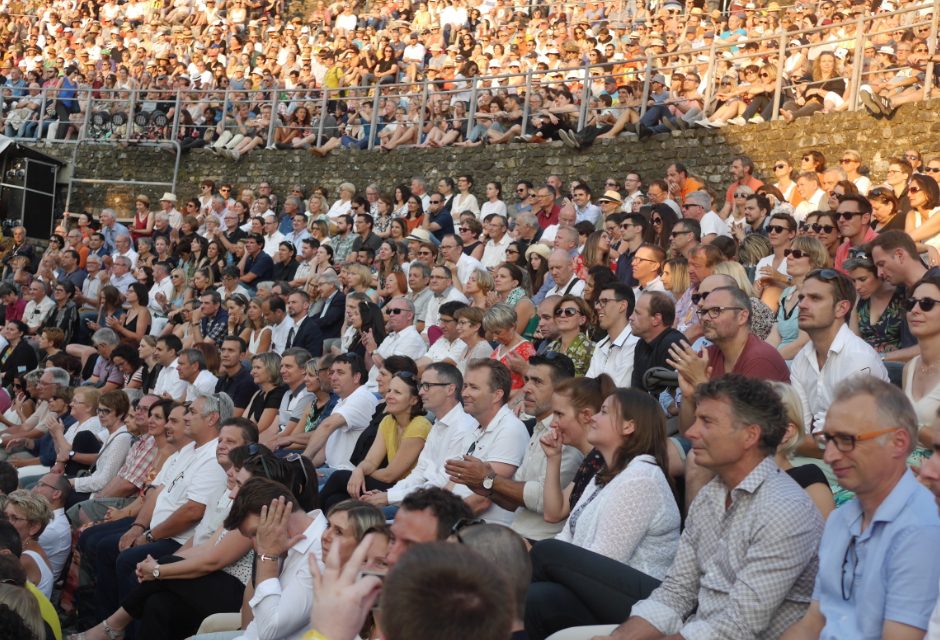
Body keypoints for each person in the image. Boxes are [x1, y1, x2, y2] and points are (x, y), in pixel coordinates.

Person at [568, 375, 825, 640]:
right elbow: (676, 592)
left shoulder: (785, 510)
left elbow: (738, 626)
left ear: (750, 435)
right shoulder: (710, 496)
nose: (690, 432)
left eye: (707, 422)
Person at [780, 377, 940, 639]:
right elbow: (812, 623)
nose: (830, 455)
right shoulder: (840, 519)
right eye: (827, 439)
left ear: (898, 443)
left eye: (846, 440)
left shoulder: (921, 529)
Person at [526, 389, 681, 639]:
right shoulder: (603, 475)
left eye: (604, 412)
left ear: (629, 426)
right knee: (536, 599)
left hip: (646, 600)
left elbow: (606, 559)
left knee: (544, 552)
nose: (593, 418)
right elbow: (567, 536)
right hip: (601, 589)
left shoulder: (642, 477)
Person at [449, 353, 581, 541]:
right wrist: (483, 486)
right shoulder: (538, 429)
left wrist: (487, 480)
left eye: (537, 382)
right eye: (527, 380)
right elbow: (513, 502)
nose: (526, 388)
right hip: (516, 534)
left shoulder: (567, 434)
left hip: (539, 542)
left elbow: (544, 500)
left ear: (561, 391)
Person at [669, 284, 790, 431]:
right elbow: (687, 432)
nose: (706, 318)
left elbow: (740, 431)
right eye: (704, 312)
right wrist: (688, 397)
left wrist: (700, 383)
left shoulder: (760, 359)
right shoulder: (705, 356)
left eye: (715, 311)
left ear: (742, 316)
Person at [220, 477, 327, 640]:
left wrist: (267, 557)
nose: (257, 546)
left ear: (281, 512)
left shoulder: (321, 554)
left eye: (257, 533)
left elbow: (270, 631)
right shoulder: (285, 548)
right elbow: (255, 627)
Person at [363, 363, 477, 509]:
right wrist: (388, 493)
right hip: (421, 498)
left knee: (362, 515)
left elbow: (441, 484)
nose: (421, 392)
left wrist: (388, 497)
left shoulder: (463, 428)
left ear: (450, 389)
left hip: (437, 507)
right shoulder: (437, 424)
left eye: (427, 386)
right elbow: (420, 472)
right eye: (421, 386)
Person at [790, 269, 888, 431]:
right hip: (820, 450)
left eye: (815, 298)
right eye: (801, 297)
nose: (802, 304)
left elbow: (844, 436)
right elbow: (800, 425)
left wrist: (788, 442)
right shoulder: (802, 358)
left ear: (841, 308)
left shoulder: (858, 358)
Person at [320, 370, 430, 510]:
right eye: (390, 390)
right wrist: (359, 470)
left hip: (405, 490)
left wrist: (359, 472)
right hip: (387, 483)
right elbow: (371, 461)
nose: (389, 396)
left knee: (339, 477)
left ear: (413, 400)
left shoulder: (419, 425)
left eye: (397, 392)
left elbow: (390, 475)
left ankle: (308, 520)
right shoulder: (388, 421)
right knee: (335, 500)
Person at [444, 360, 529, 525]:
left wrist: (436, 520)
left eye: (474, 387)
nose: (465, 393)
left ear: (497, 395)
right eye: (465, 386)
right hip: (458, 520)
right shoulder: (475, 426)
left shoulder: (510, 429)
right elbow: (452, 482)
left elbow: (482, 499)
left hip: (485, 529)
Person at [303, 354, 379, 476]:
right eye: (332, 373)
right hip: (331, 468)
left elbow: (327, 426)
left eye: (340, 373)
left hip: (347, 473)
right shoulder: (342, 401)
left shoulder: (362, 397)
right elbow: (324, 450)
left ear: (356, 377)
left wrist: (302, 462)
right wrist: (308, 468)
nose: (333, 377)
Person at [630, 291, 685, 392]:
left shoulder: (674, 345)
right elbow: (637, 391)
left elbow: (668, 396)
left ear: (656, 319)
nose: (631, 318)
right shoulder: (641, 344)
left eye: (637, 313)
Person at [2, 490, 54, 598]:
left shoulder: (24, 559)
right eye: (5, 516)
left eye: (15, 518)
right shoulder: (30, 548)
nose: (7, 522)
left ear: (34, 527)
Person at [585, 283, 638, 388]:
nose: (597, 307)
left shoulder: (635, 344)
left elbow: (619, 392)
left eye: (604, 301)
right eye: (598, 302)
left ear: (622, 306)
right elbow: (588, 388)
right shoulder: (600, 345)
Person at [547, 296, 595, 376]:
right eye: (559, 311)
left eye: (569, 312)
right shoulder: (551, 346)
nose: (562, 315)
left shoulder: (591, 349)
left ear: (582, 320)